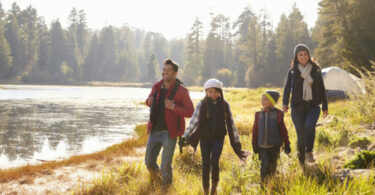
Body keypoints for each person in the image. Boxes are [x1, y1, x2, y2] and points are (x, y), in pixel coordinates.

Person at [180, 78, 249, 195]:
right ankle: (206, 190)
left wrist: (237, 144)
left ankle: (214, 188)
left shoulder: (224, 105)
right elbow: (193, 122)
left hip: (218, 138)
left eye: (215, 92)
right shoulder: (202, 104)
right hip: (204, 138)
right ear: (206, 92)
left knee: (214, 160)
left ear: (219, 92)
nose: (213, 94)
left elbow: (231, 124)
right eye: (210, 92)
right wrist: (185, 136)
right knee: (206, 163)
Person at [145, 58, 194, 189]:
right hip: (154, 131)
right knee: (149, 162)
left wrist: (174, 107)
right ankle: (158, 180)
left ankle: (166, 187)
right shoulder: (156, 86)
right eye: (164, 69)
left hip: (170, 133)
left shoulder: (182, 91)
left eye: (168, 70)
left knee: (165, 165)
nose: (165, 72)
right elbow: (149, 100)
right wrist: (148, 101)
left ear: (175, 73)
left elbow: (190, 112)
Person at [282, 44, 328, 165]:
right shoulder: (292, 72)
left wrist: (325, 106)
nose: (303, 57)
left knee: (309, 126)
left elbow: (322, 88)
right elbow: (287, 88)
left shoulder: (316, 70)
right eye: (300, 54)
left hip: (313, 106)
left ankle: (309, 151)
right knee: (300, 134)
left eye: (305, 54)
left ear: (309, 55)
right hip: (297, 107)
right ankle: (301, 159)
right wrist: (285, 103)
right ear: (296, 56)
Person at [252, 90, 291, 183]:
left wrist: (287, 144)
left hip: (275, 146)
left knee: (273, 165)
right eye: (262, 99)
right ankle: (263, 184)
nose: (263, 101)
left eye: (265, 99)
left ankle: (272, 183)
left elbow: (283, 130)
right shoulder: (258, 114)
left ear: (272, 101)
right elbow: (255, 130)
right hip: (262, 146)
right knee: (264, 165)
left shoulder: (278, 114)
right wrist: (254, 143)